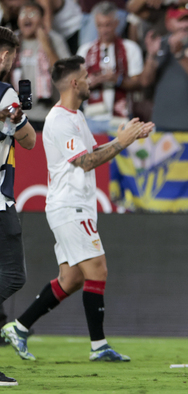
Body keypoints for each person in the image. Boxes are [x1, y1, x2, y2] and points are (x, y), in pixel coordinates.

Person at [1, 55, 153, 363]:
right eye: (85, 76)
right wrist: (121, 144)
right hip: (70, 206)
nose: (89, 81)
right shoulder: (59, 120)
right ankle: (99, 346)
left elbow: (89, 153)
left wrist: (124, 137)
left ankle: (18, 327)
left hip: (76, 204)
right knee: (98, 269)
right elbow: (84, 162)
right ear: (74, 83)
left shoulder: (76, 116)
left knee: (71, 279)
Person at [0, 25, 36, 387]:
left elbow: (27, 138)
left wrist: (15, 119)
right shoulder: (5, 91)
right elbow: (30, 143)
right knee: (12, 276)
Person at [141, 6, 188, 132]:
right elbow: (145, 81)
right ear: (168, 24)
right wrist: (151, 55)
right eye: (180, 21)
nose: (185, 25)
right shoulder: (160, 44)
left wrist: (179, 54)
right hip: (162, 122)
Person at [77, 1, 144, 134]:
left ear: (117, 23)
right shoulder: (85, 50)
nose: (104, 30)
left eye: (108, 25)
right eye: (100, 25)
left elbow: (139, 83)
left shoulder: (130, 48)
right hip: (92, 118)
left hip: (122, 119)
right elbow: (76, 88)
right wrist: (91, 82)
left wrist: (117, 80)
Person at [12, 1, 71, 130]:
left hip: (49, 116)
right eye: (23, 13)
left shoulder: (55, 40)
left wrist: (46, 45)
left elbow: (65, 77)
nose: (27, 17)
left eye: (32, 14)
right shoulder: (11, 41)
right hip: (18, 116)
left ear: (42, 19)